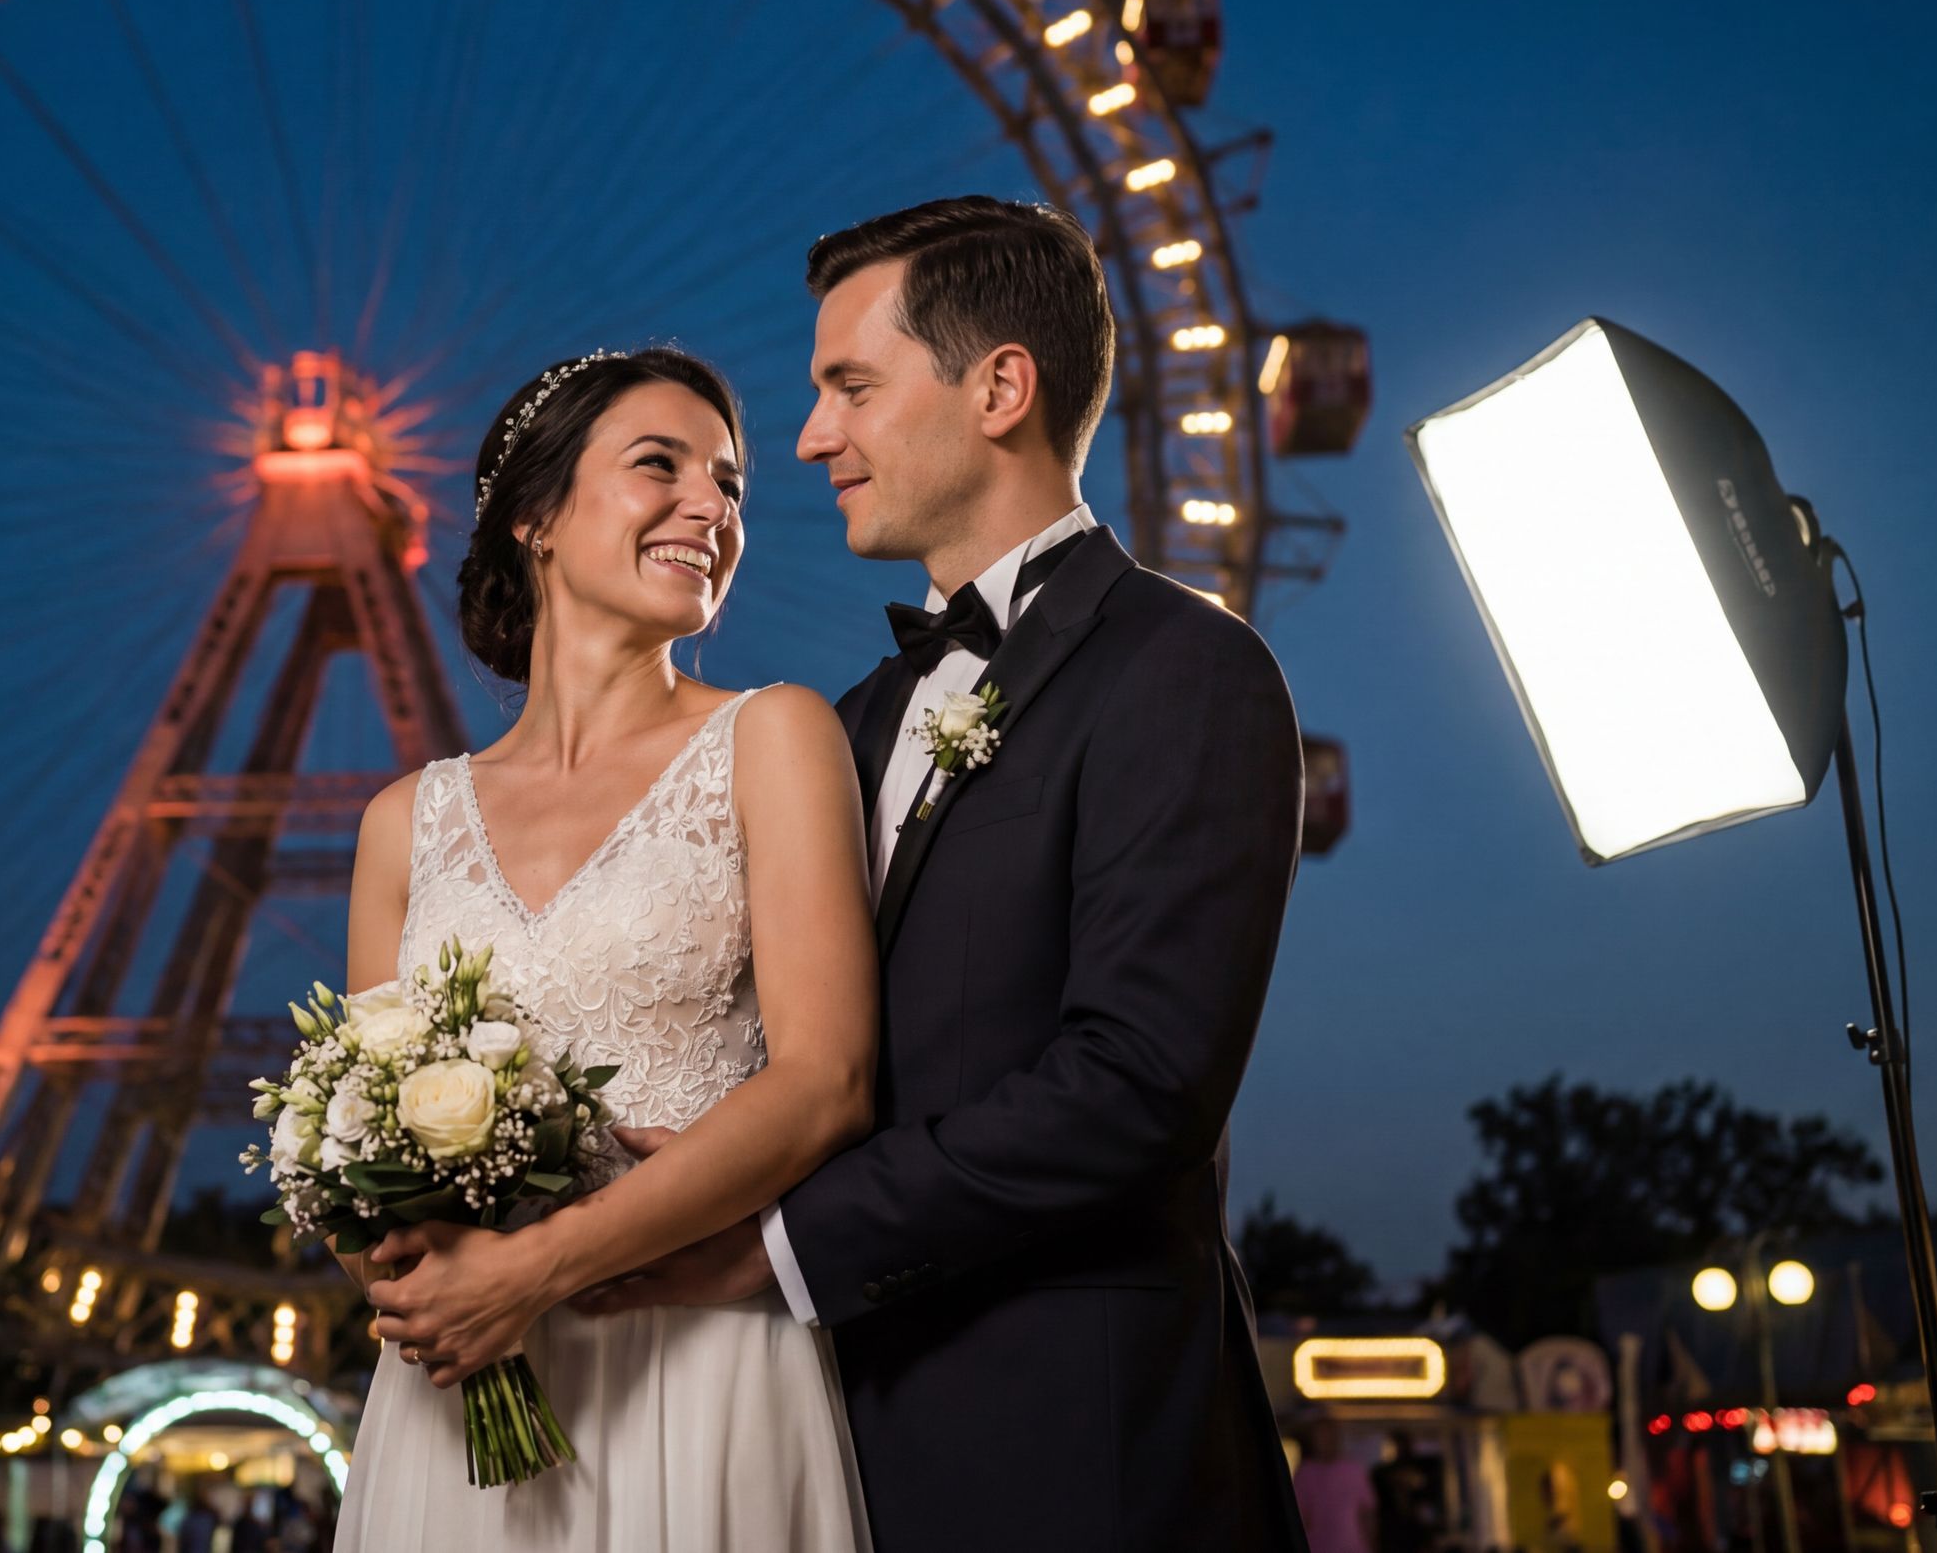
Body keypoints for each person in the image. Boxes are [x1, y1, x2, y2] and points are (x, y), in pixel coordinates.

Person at [373, 198, 1310, 1549]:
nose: (813, 438)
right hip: (830, 1422)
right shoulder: (846, 724)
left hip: (1069, 1443)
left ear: (1000, 388)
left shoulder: (1188, 670)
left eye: (850, 388)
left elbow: (1138, 1084)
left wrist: (766, 1245)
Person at [341, 345, 878, 1550]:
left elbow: (830, 1081)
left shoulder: (775, 738)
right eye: (660, 466)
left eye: (729, 484)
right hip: (459, 1400)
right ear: (534, 516)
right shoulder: (402, 823)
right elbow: (357, 1142)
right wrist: (409, 1276)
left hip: (698, 1369)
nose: (711, 508)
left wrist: (536, 1267)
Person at [1293, 1417, 1376, 1553]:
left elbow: (1367, 1513)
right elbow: (1300, 1516)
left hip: (1352, 1548)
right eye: (1321, 1436)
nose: (1326, 1441)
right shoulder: (1304, 1473)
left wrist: (1372, 1545)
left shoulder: (1354, 1470)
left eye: (1329, 1436)